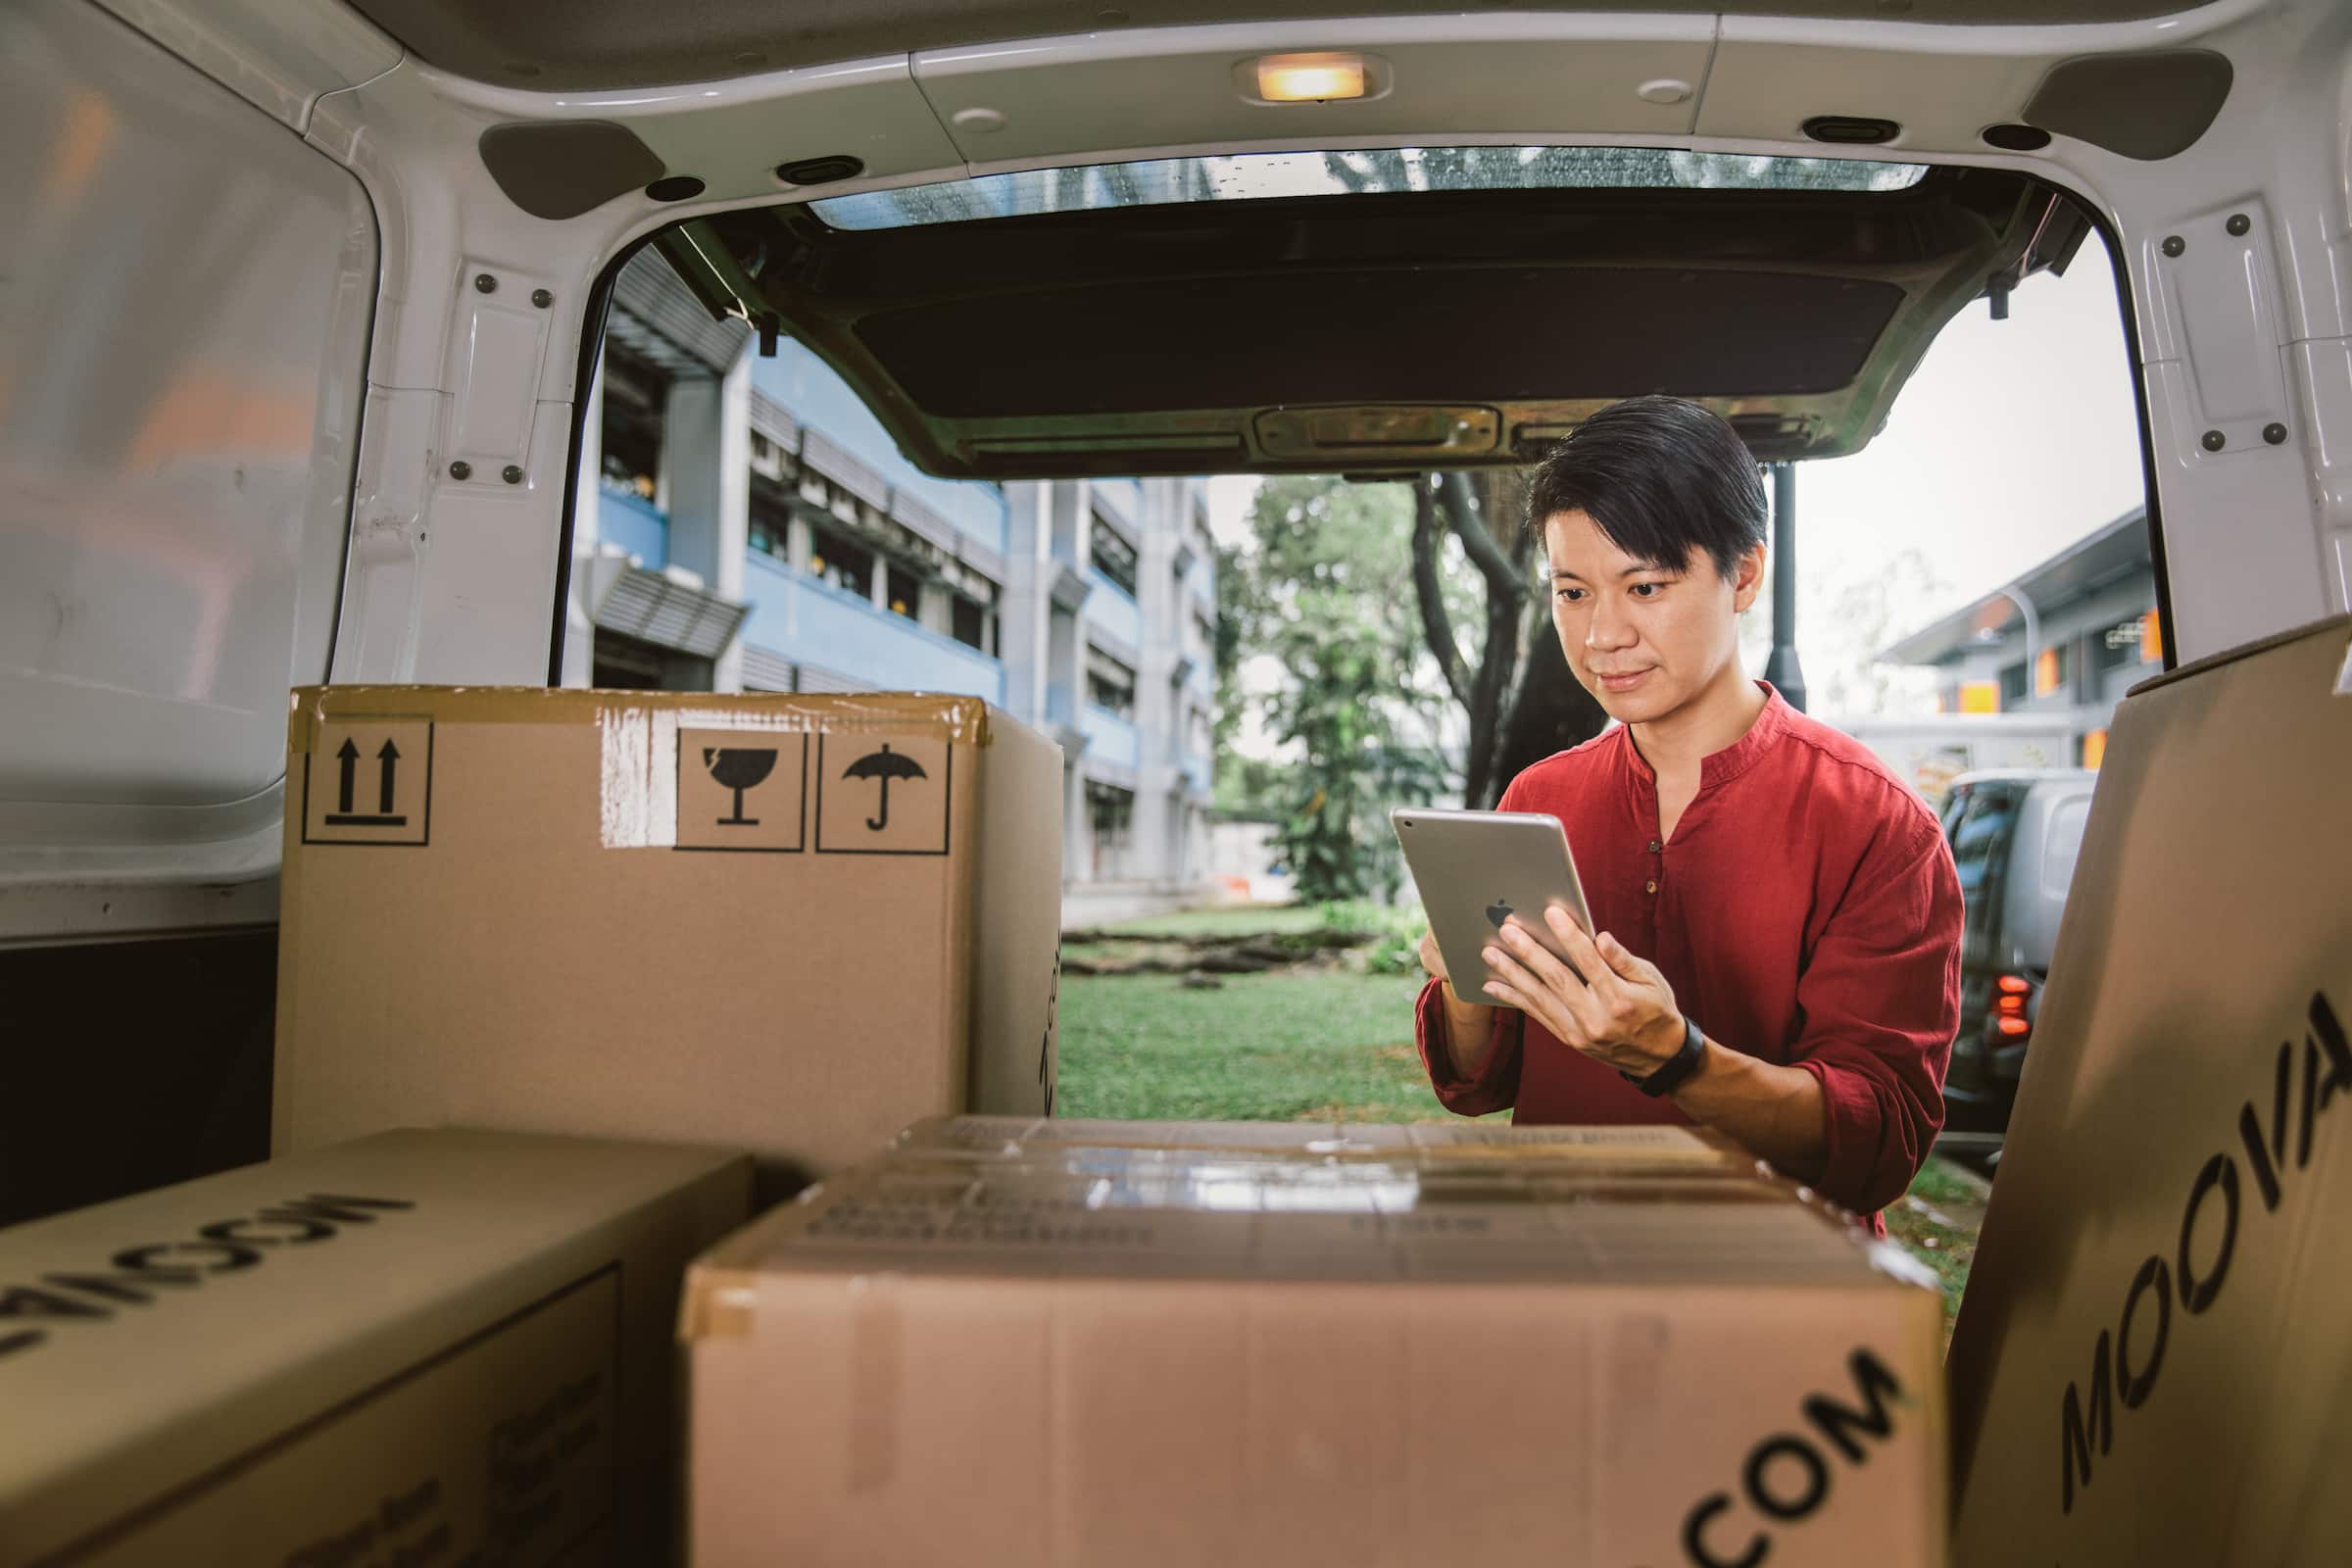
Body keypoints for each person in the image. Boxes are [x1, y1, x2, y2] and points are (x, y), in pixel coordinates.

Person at [1414, 396, 1962, 1226]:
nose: (1602, 634)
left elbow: (1880, 1141)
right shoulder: (1538, 799)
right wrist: (1467, 983)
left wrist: (1678, 1060)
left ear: (1743, 575)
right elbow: (1476, 1082)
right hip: (1565, 1268)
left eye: (1644, 586)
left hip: (1775, 1297)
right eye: (1572, 592)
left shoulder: (1875, 821)